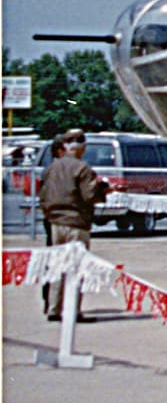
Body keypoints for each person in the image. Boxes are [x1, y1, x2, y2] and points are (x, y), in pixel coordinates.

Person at [38, 129, 108, 321]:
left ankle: (53, 308)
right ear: (81, 148)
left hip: (55, 222)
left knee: (57, 267)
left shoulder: (52, 168)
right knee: (76, 268)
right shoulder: (82, 168)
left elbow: (43, 195)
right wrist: (103, 189)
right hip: (76, 222)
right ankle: (72, 311)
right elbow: (88, 196)